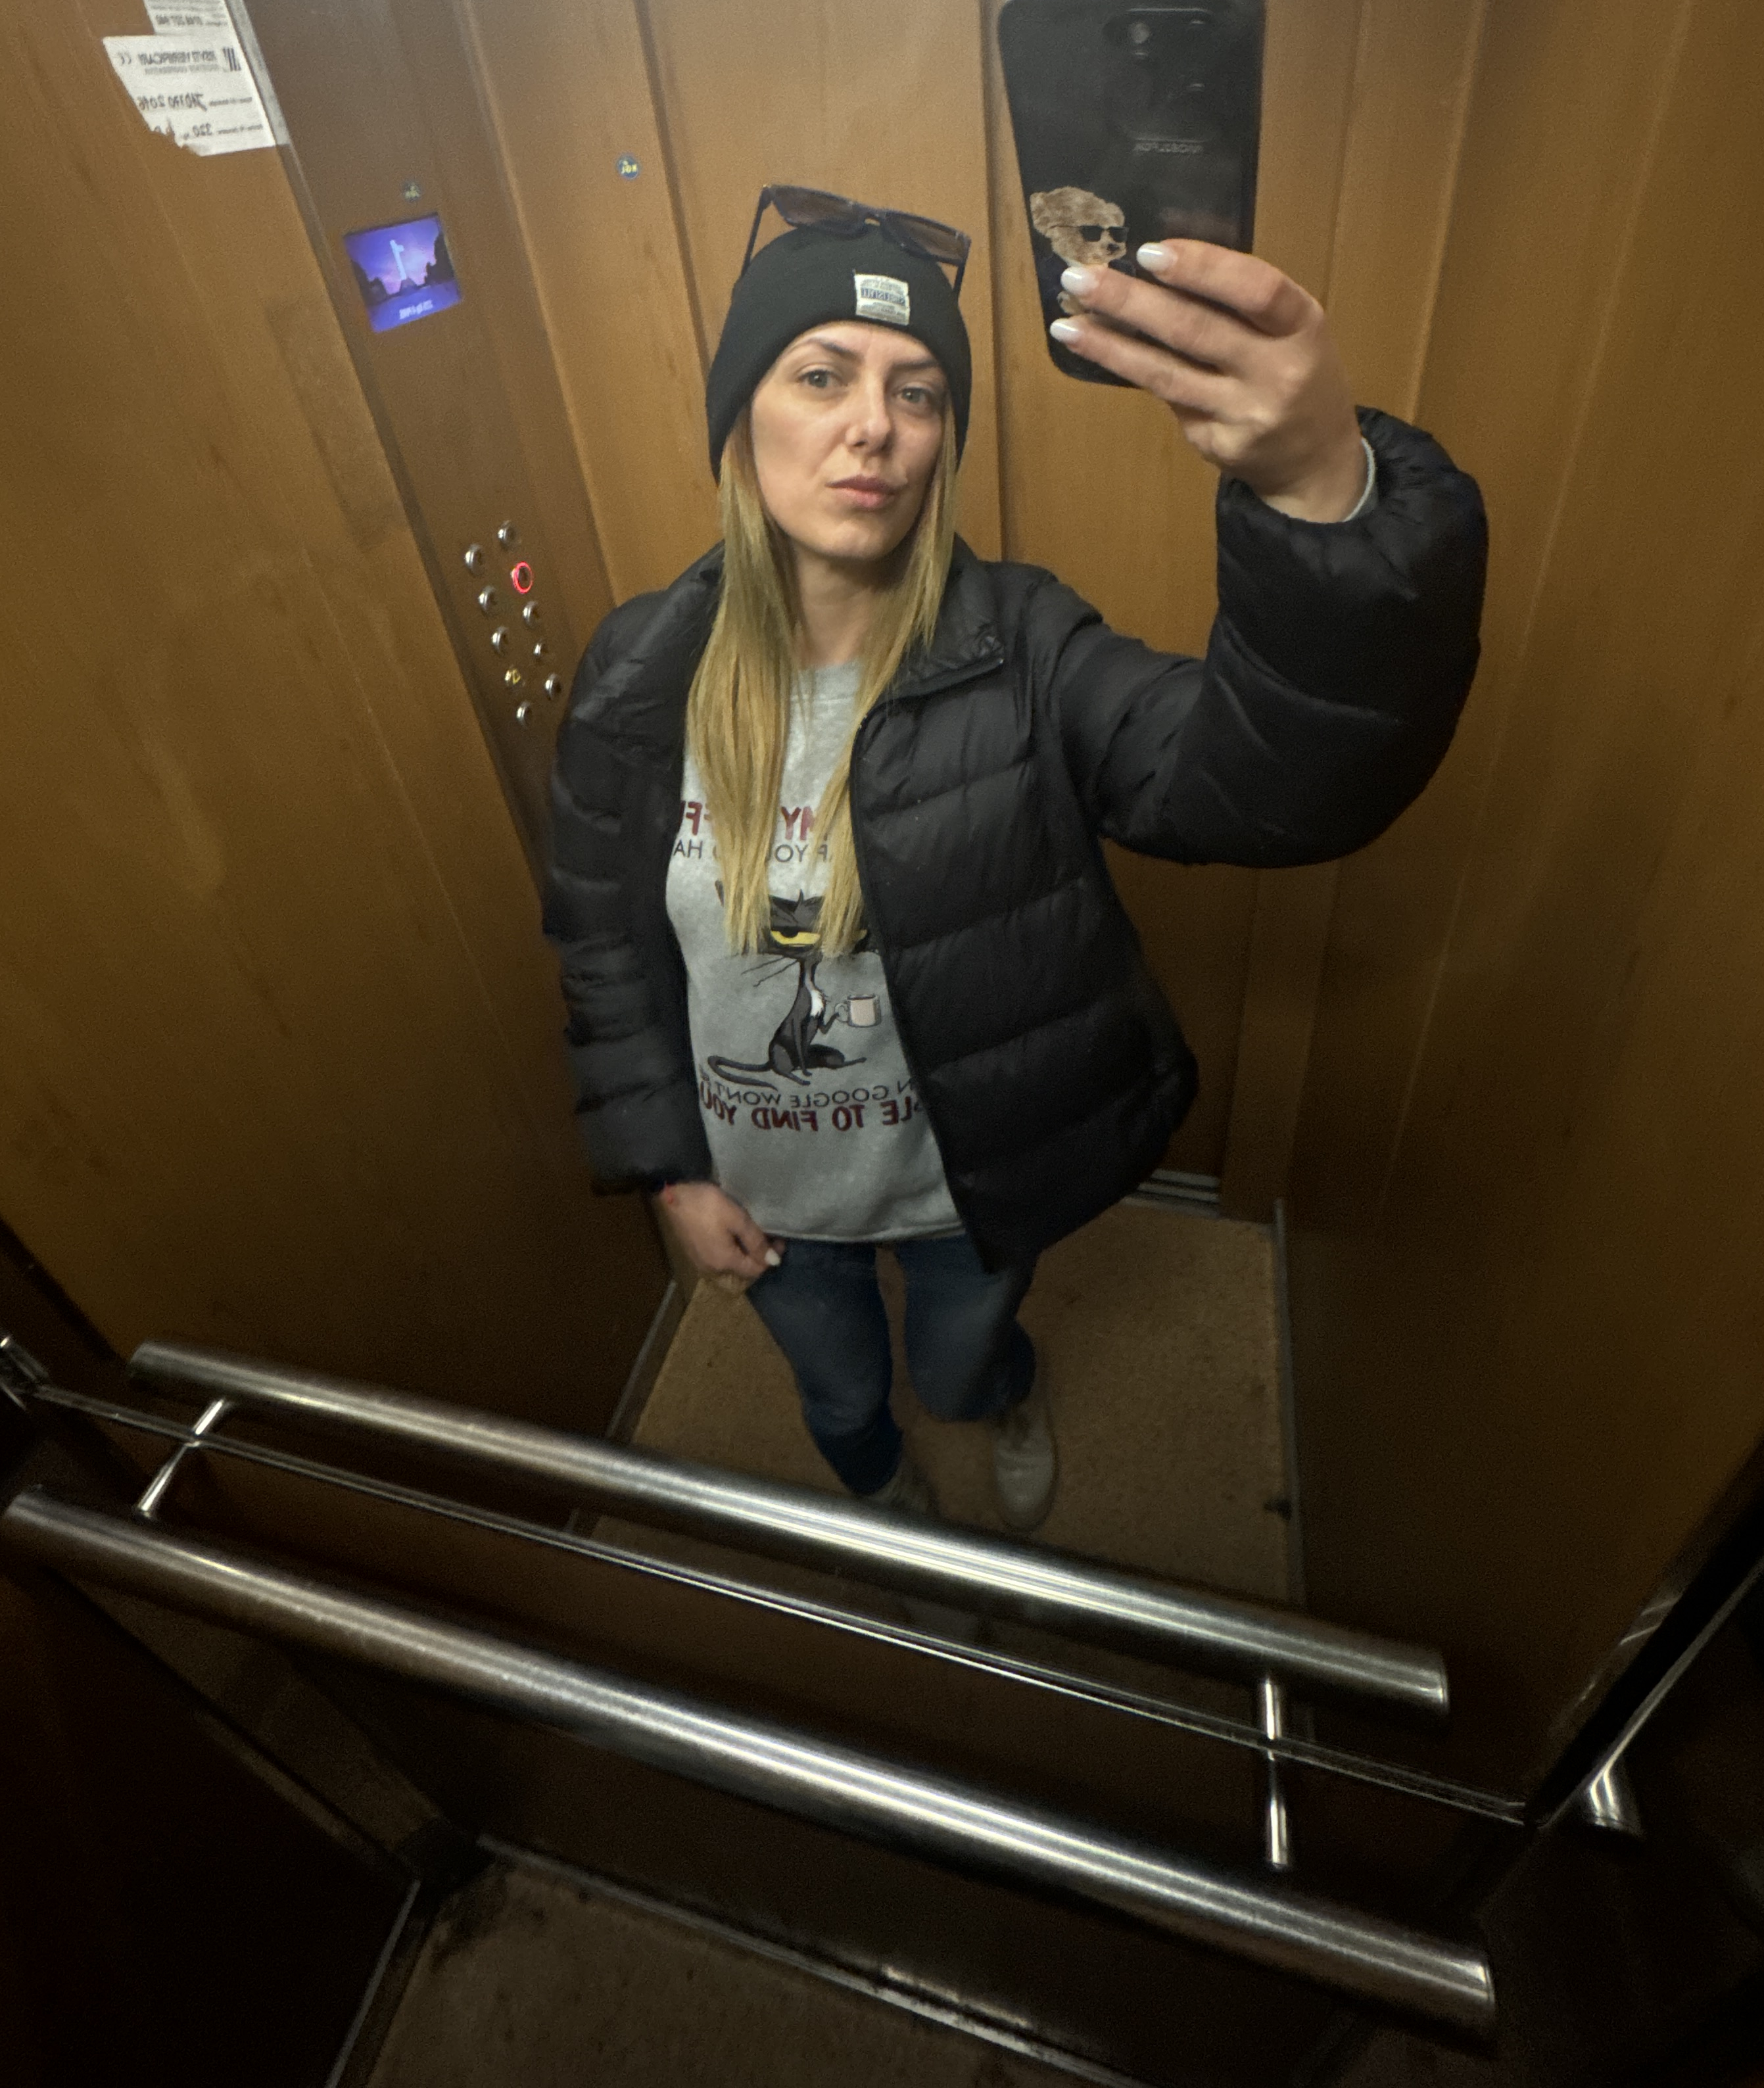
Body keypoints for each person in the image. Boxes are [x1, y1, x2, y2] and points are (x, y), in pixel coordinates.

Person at [545, 185, 1487, 1534]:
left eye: (918, 393)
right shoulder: (640, 674)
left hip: (963, 1184)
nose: (875, 425)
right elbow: (604, 946)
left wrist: (1322, 496)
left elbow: (1265, 790)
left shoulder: (1024, 646)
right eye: (822, 375)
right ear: (741, 418)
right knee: (839, 1394)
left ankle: (1005, 1394)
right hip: (759, 1186)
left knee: (958, 1367)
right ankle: (883, 1501)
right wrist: (670, 1175)